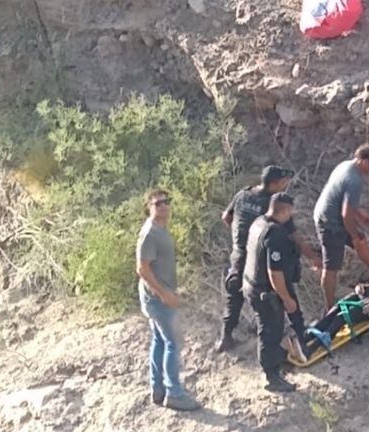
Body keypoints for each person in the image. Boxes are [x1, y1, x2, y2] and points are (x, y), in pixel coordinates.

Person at [216, 166, 320, 352]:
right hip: (260, 262)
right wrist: (312, 256)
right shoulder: (273, 206)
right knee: (286, 293)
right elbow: (294, 235)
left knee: (234, 297)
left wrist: (240, 237)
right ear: (273, 184)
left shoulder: (243, 194)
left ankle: (225, 337)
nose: (285, 185)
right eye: (282, 183)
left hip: (238, 255)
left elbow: (226, 217)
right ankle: (300, 334)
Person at [135, 188, 201, 411]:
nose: (163, 206)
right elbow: (142, 269)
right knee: (173, 343)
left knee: (160, 340)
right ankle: (174, 393)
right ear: (149, 207)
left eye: (166, 202)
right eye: (157, 203)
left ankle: (158, 388)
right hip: (158, 299)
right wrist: (165, 294)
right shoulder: (150, 233)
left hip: (158, 296)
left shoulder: (160, 229)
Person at [243, 193, 306, 392]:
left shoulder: (259, 222)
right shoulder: (275, 234)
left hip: (252, 285)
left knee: (273, 327)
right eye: (291, 211)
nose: (292, 215)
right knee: (270, 331)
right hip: (265, 291)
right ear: (285, 210)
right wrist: (286, 298)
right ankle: (272, 377)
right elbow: (275, 272)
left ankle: (281, 358)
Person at [313, 145, 369, 312]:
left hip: (333, 214)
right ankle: (329, 307)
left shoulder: (345, 165)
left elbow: (342, 200)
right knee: (331, 266)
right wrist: (353, 235)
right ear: (365, 161)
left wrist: (360, 216)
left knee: (361, 241)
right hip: (329, 222)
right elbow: (346, 214)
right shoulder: (354, 180)